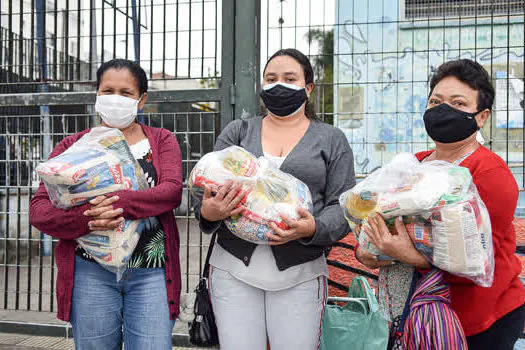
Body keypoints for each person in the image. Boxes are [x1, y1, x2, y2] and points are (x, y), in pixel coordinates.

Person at [356, 59, 525, 349]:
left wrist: (411, 256)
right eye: (436, 101)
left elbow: (480, 262)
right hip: (410, 319)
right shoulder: (414, 164)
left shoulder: (490, 173)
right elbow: (380, 221)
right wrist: (368, 250)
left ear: (481, 117)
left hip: (474, 321)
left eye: (458, 103)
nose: (443, 109)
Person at [192, 48, 355, 350]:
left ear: (308, 88)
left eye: (289, 78)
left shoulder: (332, 139)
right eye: (271, 78)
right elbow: (203, 186)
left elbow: (343, 207)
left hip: (301, 273)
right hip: (233, 270)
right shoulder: (239, 132)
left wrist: (312, 228)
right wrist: (209, 211)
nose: (279, 84)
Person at [29, 59, 183, 350]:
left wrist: (118, 203)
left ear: (142, 99)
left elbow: (171, 193)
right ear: (97, 95)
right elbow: (39, 210)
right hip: (90, 273)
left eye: (125, 93)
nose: (115, 98)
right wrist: (88, 218)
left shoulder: (161, 141)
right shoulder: (72, 146)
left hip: (150, 271)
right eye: (107, 91)